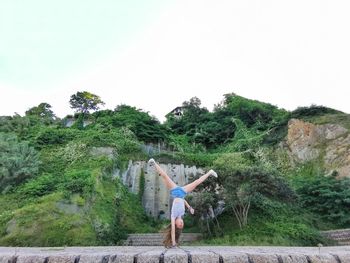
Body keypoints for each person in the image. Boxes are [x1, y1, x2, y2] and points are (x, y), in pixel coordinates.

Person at [148, 158, 218, 248]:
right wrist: (189, 208)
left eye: (179, 225)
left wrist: (173, 243)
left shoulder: (173, 216)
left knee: (164, 176)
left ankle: (153, 163)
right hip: (182, 193)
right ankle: (210, 172)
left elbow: (173, 230)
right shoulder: (182, 213)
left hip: (174, 191)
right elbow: (183, 200)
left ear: (176, 223)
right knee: (197, 182)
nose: (181, 224)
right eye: (182, 224)